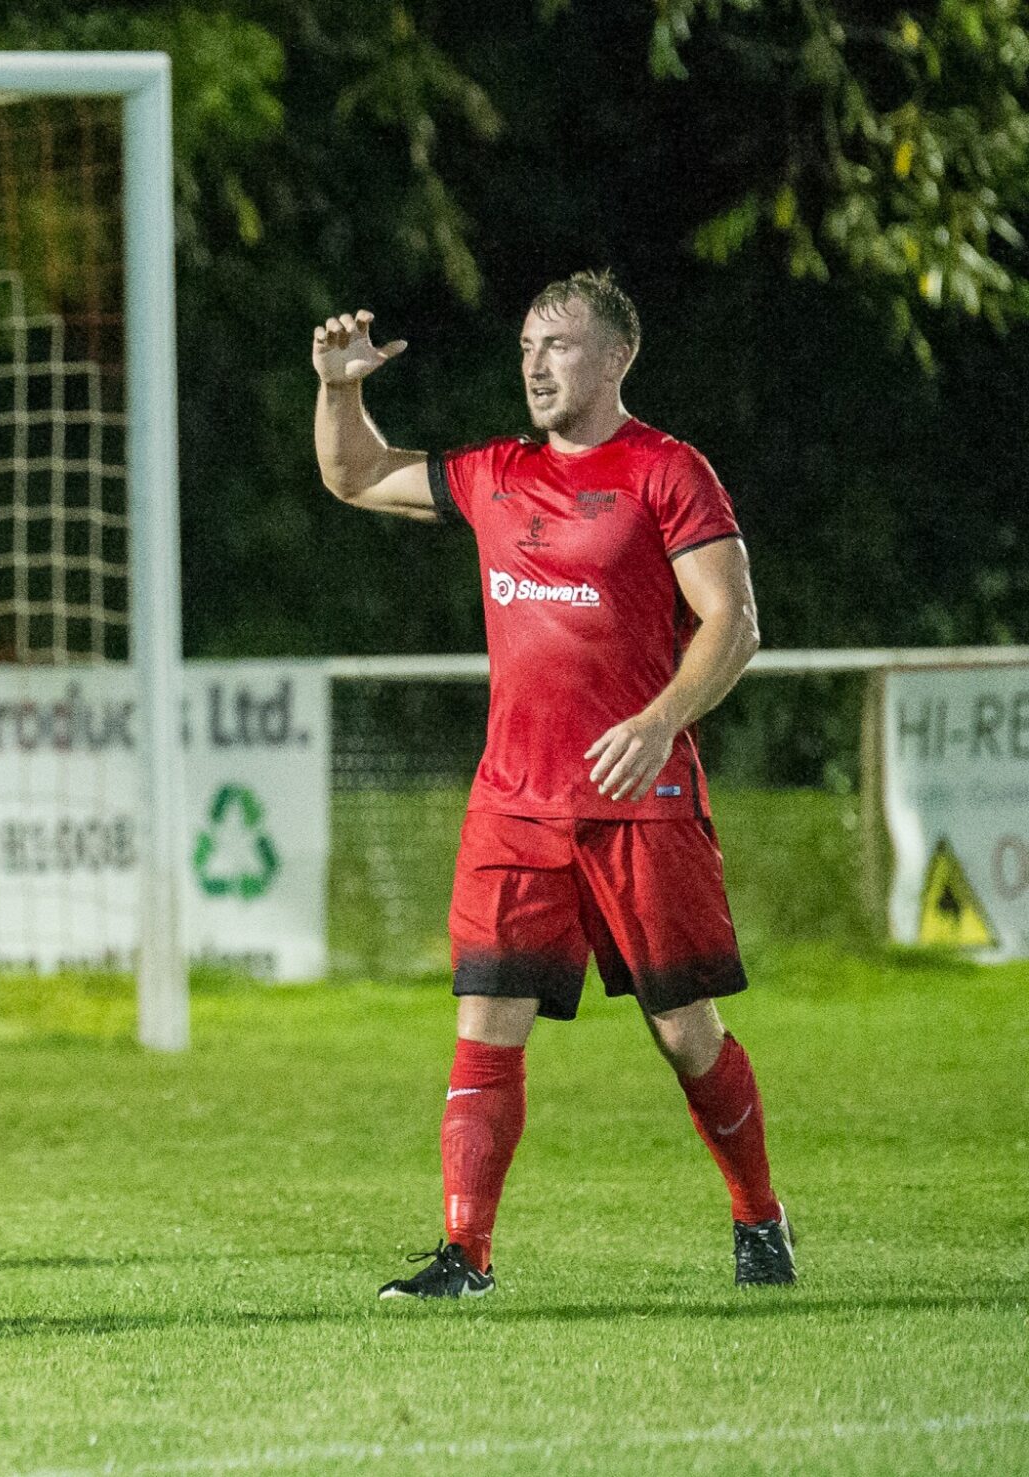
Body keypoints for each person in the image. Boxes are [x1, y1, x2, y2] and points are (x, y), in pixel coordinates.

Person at [312, 270, 793, 1298]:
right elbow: (354, 478)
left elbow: (733, 624)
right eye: (527, 343)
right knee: (485, 1022)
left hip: (638, 805)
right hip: (512, 805)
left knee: (683, 1031)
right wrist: (339, 389)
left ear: (616, 357)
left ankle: (758, 1217)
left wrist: (661, 720)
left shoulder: (667, 471)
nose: (534, 361)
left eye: (559, 344)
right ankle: (463, 1253)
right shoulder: (494, 474)